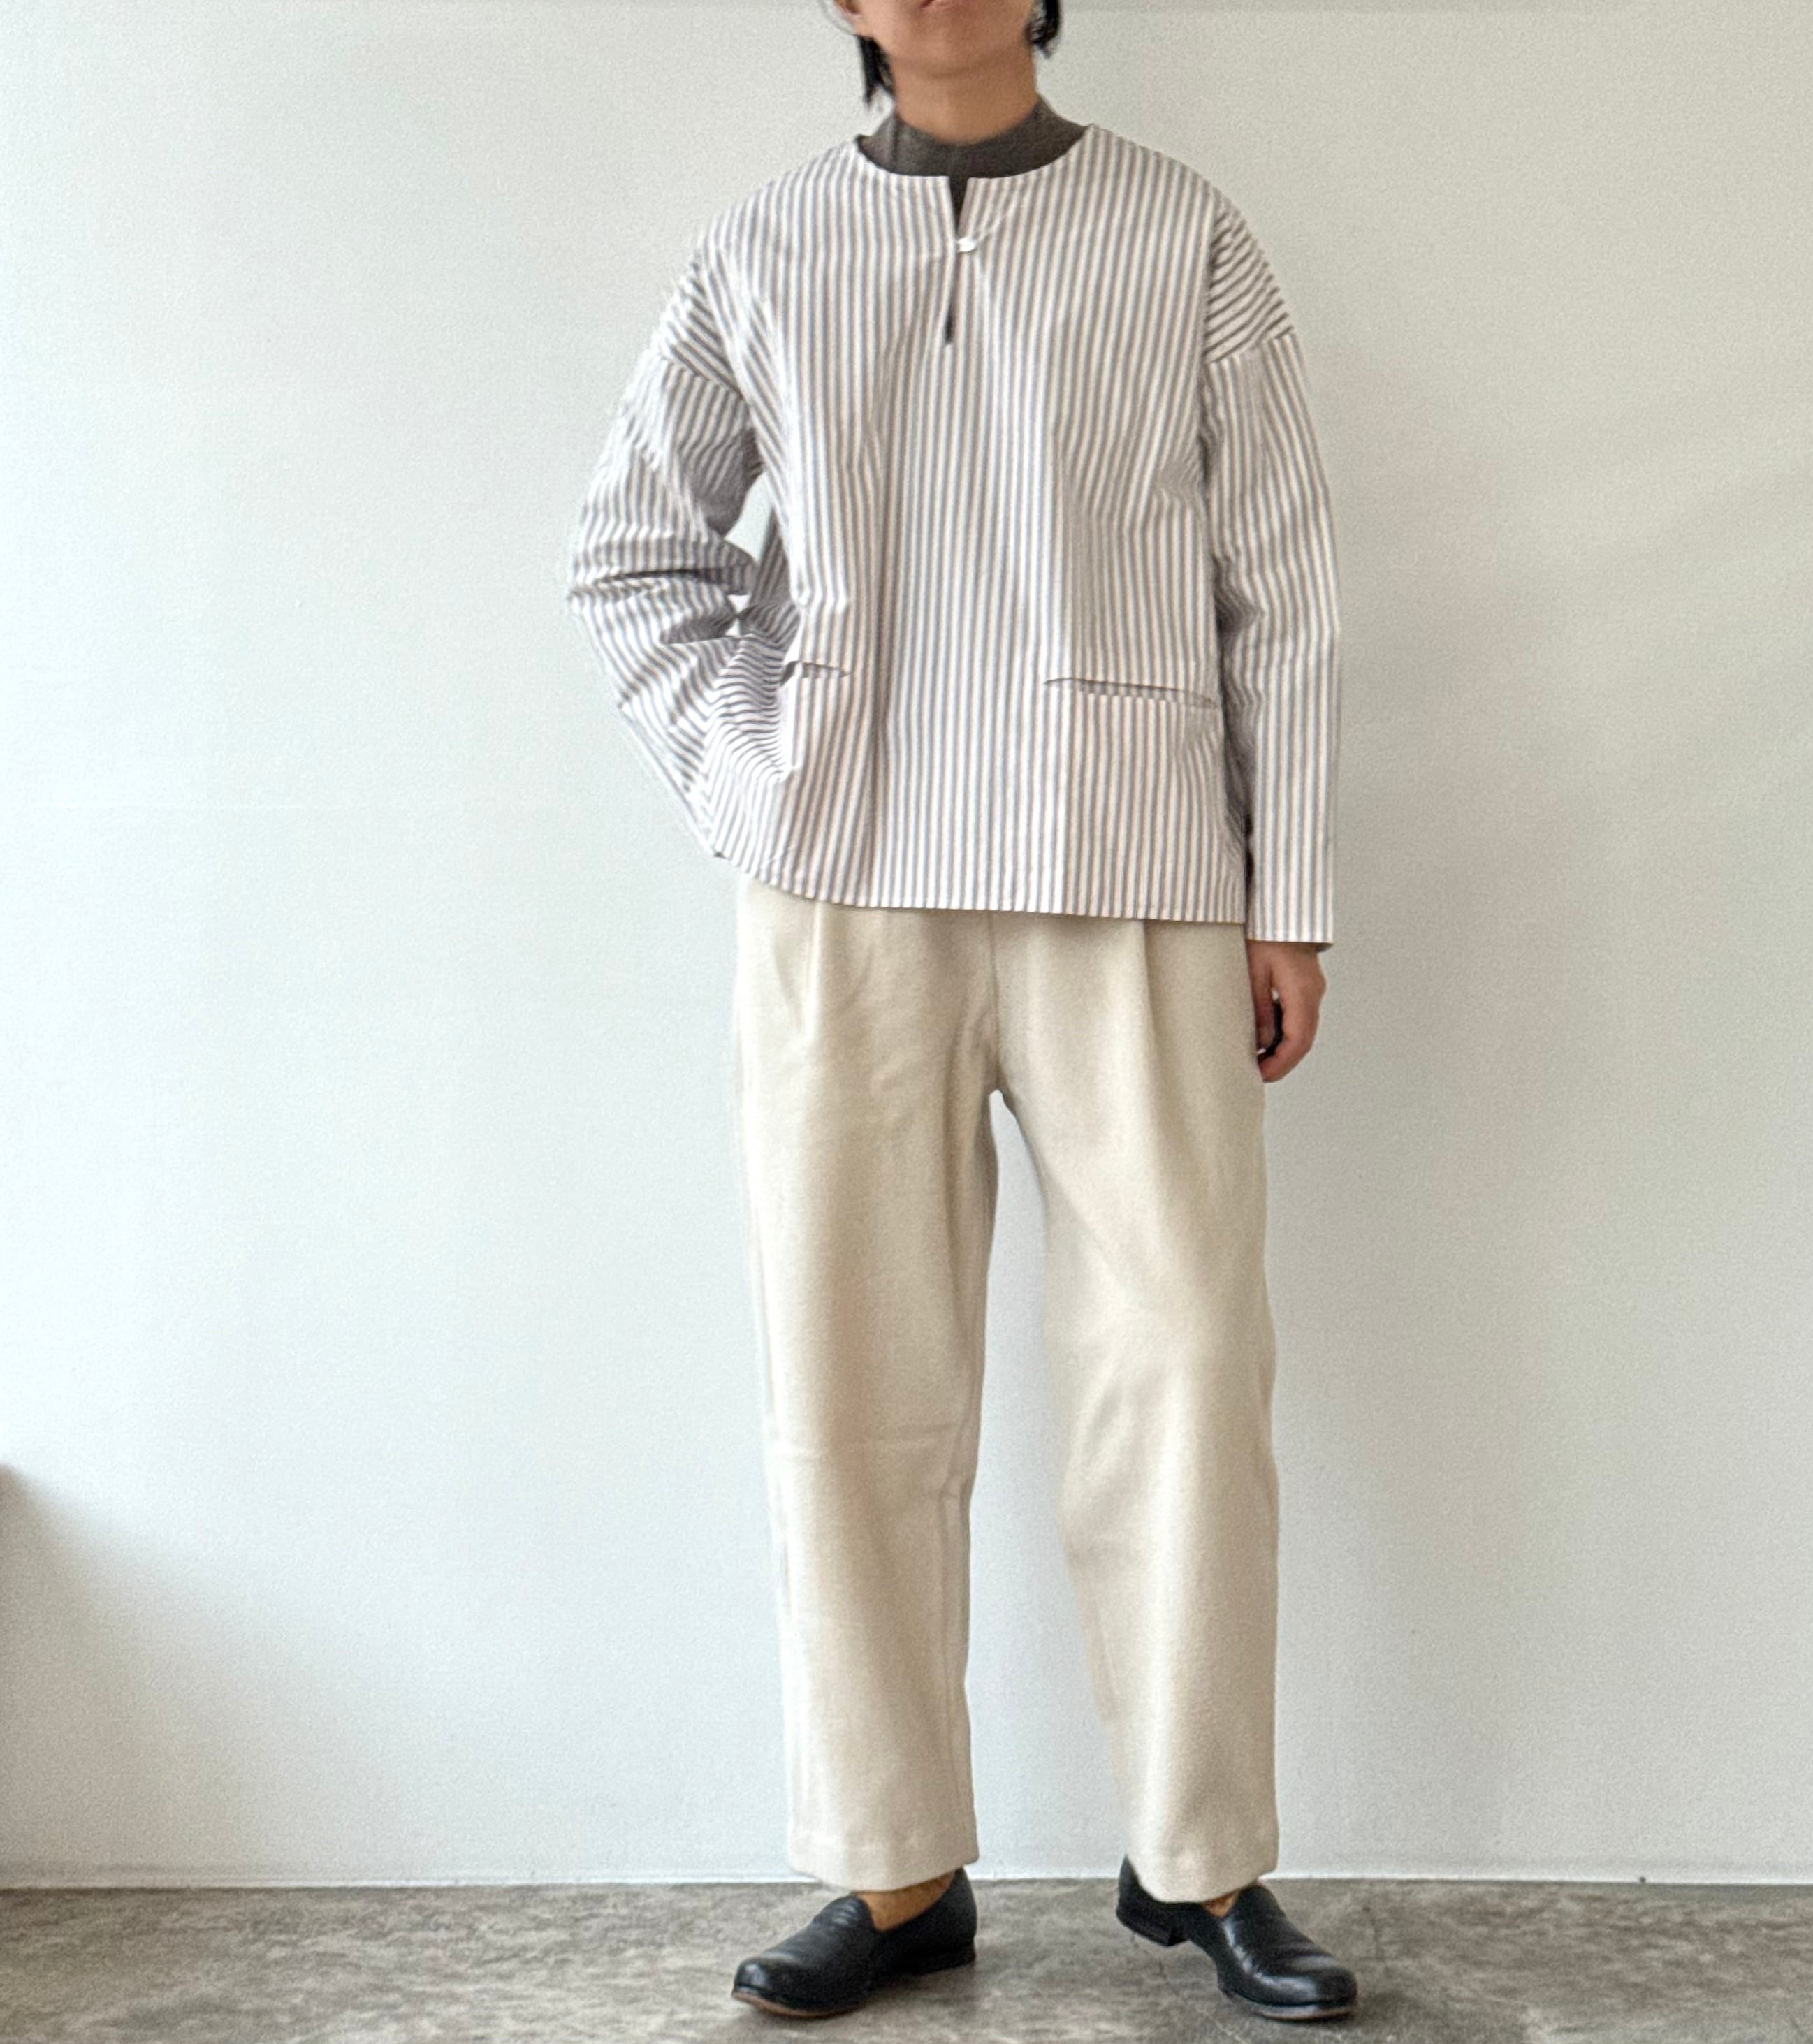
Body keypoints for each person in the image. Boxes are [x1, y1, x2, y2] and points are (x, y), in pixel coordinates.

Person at [564, 0, 1355, 2022]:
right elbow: (636, 558)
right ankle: (895, 1867)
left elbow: (1278, 580)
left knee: (1186, 1367)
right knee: (850, 1387)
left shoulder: (1181, 234)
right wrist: (761, 777)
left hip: (1141, 872)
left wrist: (1290, 891)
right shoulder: (763, 250)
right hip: (845, 894)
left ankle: (1201, 1859)